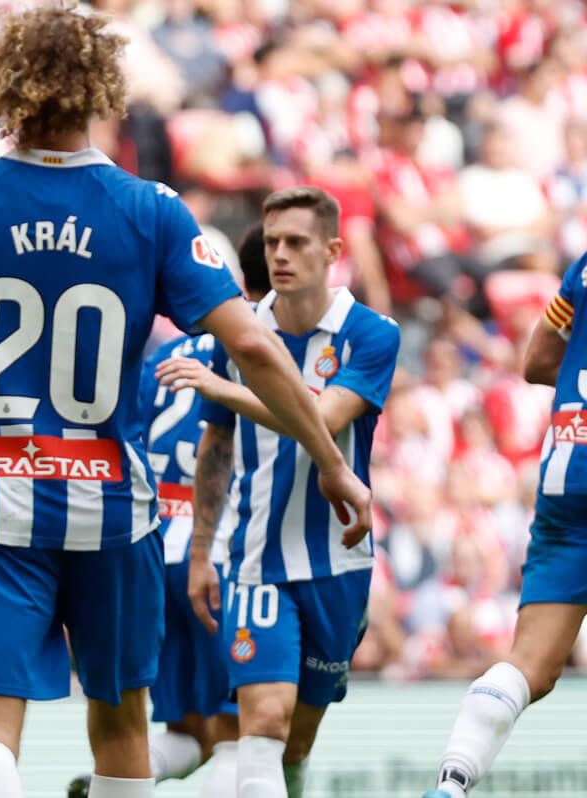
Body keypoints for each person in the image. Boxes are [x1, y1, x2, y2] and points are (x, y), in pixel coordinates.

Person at [0, 9, 372, 798]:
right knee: (122, 723)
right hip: (114, 507)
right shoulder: (149, 210)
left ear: (6, 86)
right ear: (101, 91)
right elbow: (254, 347)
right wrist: (330, 461)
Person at [159, 187, 400, 798]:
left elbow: (323, 417)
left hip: (336, 563)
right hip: (253, 558)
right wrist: (200, 553)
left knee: (296, 742)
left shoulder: (371, 333)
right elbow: (217, 448)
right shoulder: (239, 330)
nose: (280, 255)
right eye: (271, 243)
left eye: (296, 242)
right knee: (262, 721)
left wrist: (223, 387)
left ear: (334, 251)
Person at [66, 223, 272, 798]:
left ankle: (101, 784)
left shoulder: (165, 354)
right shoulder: (259, 348)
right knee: (239, 731)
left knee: (183, 726)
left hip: (156, 547)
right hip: (223, 550)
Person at [421, 248, 587, 798]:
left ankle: (452, 781)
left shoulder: (583, 265)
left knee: (529, 666)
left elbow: (538, 360)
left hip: (566, 466)